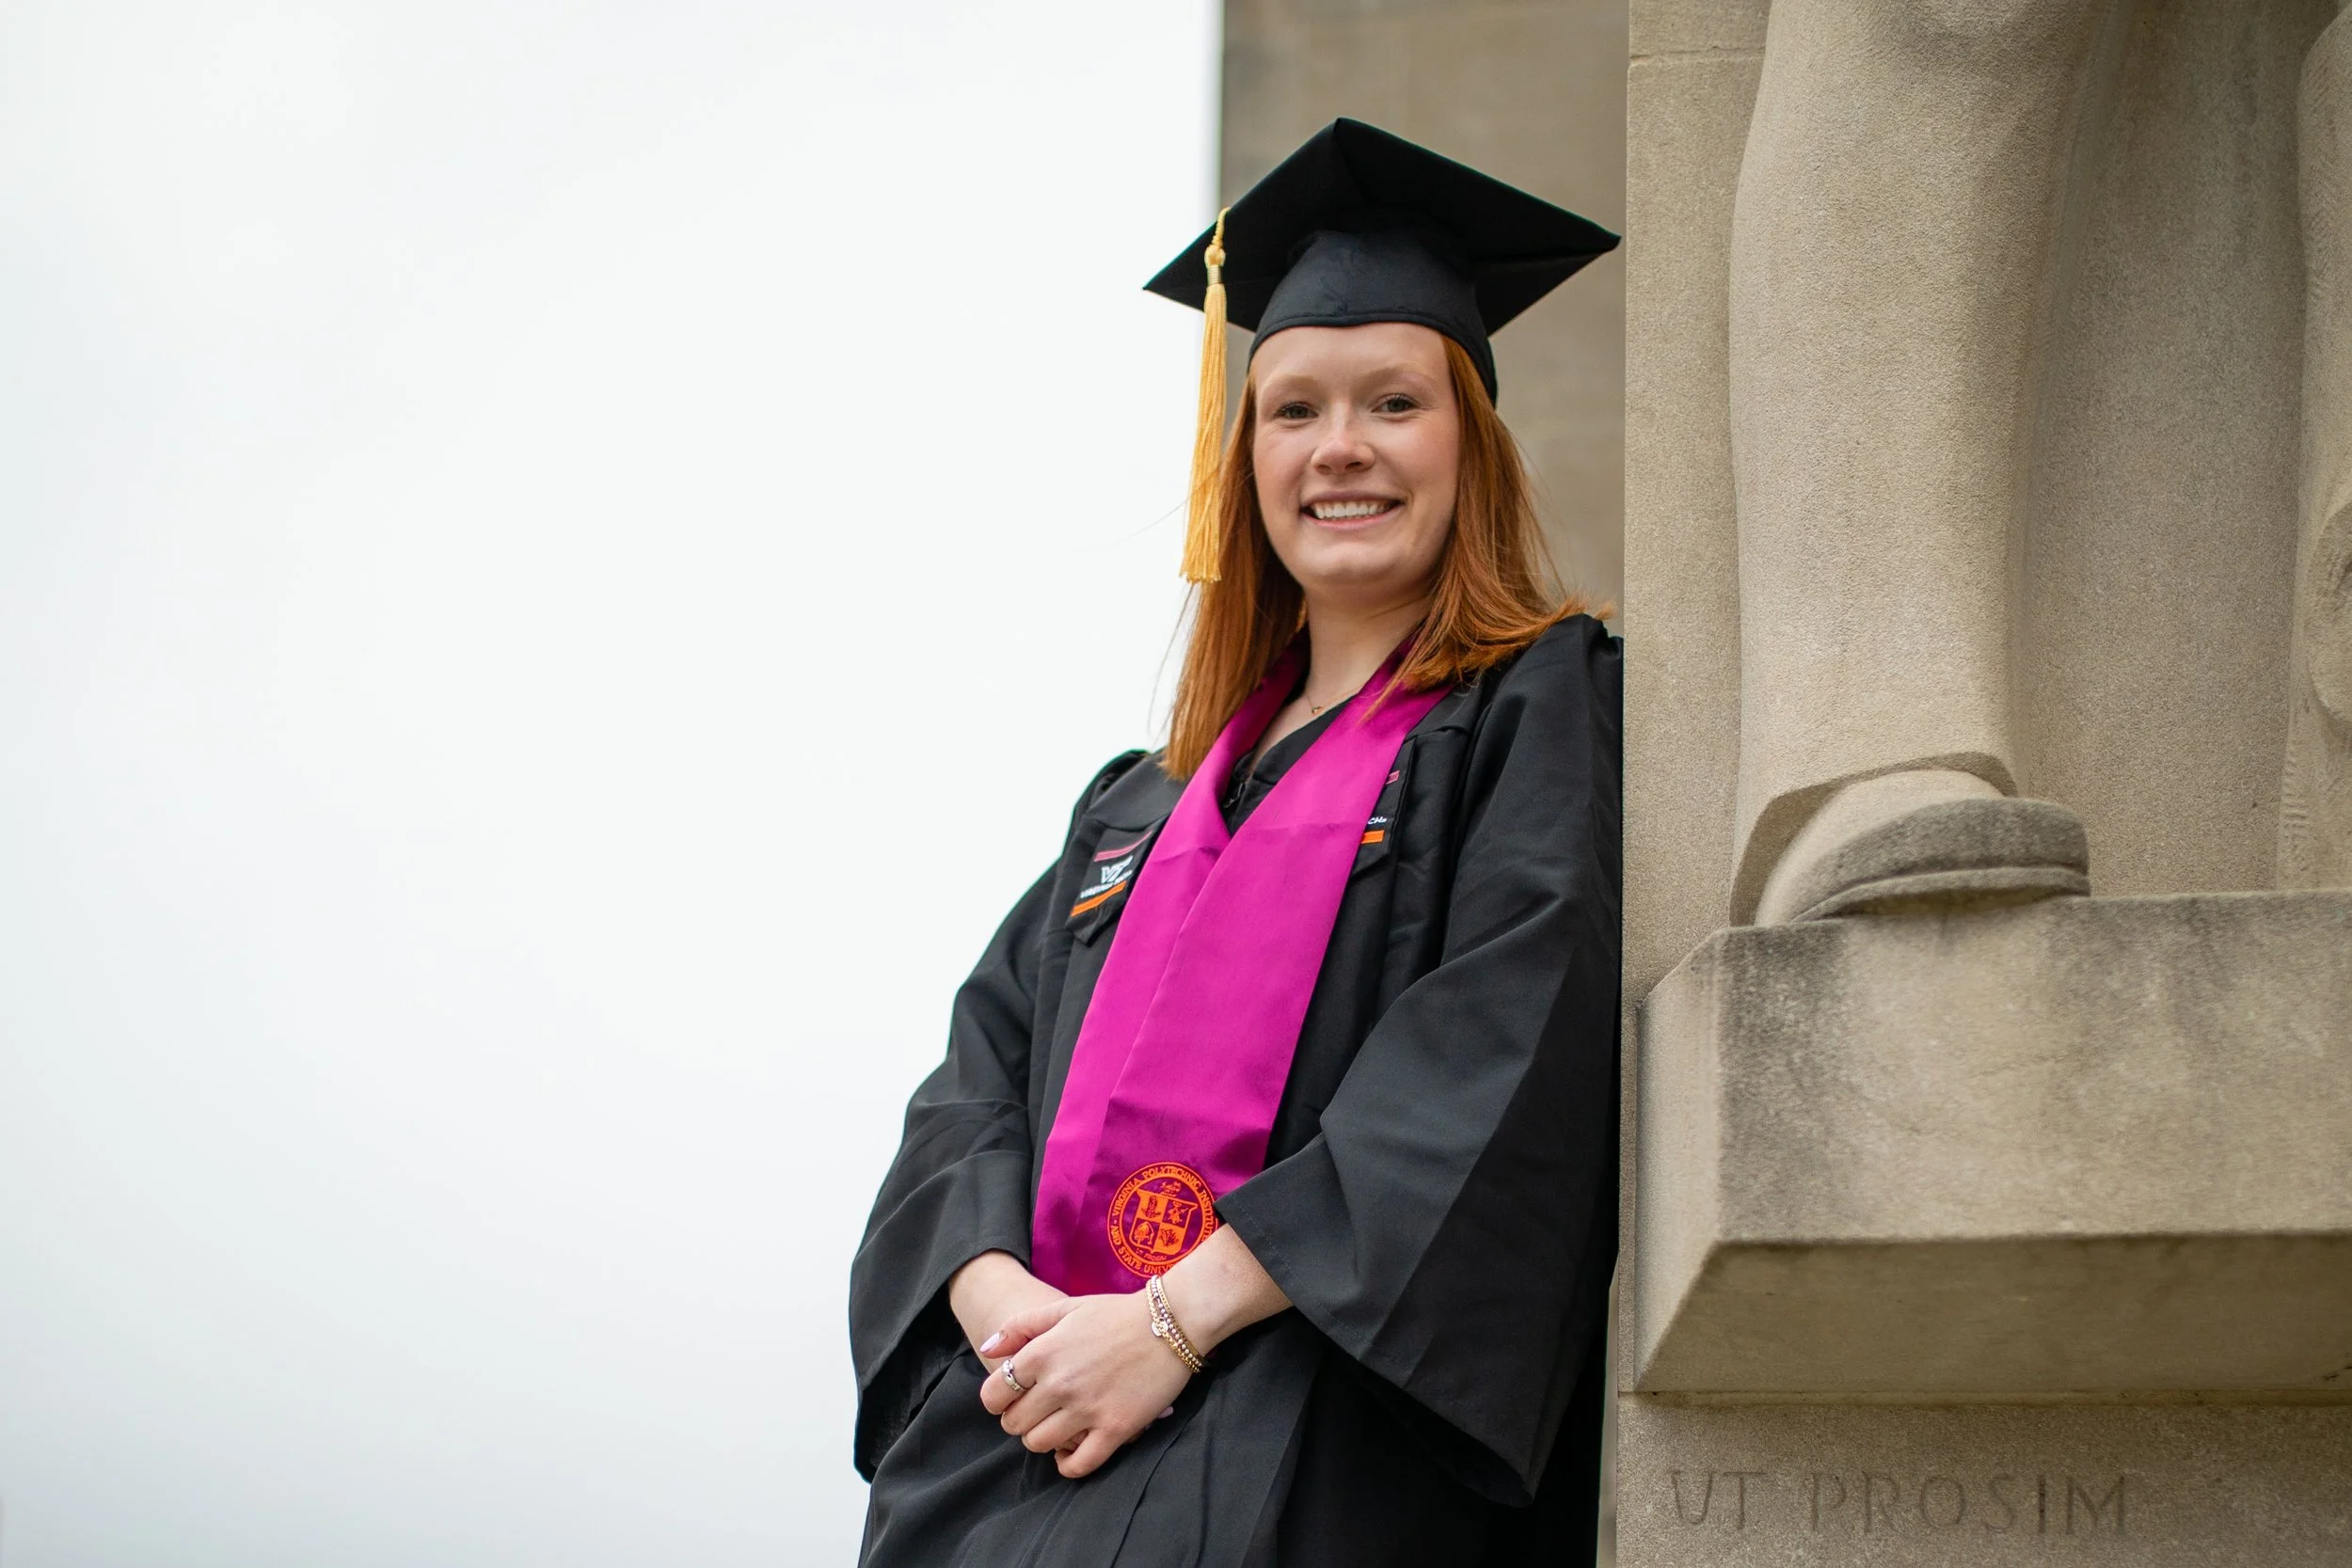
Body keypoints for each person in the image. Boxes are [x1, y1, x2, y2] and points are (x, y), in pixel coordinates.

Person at [849, 119, 1623, 1568]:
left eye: (1394, 403)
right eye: (1294, 410)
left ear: (1472, 443)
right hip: (1037, 1443)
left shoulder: (1536, 710)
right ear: (1243, 458)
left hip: (1317, 1437)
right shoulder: (1134, 807)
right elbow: (971, 1093)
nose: (1342, 449)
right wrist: (1017, 1314)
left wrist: (1173, 1320)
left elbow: (1499, 1052)